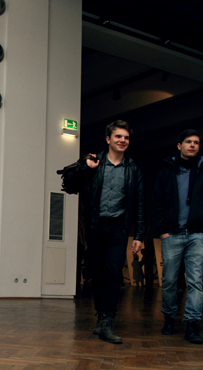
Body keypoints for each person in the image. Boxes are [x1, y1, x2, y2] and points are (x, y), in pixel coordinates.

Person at [63, 120, 146, 344]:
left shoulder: (133, 169)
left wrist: (139, 235)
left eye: (126, 137)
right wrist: (85, 168)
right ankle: (101, 316)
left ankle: (108, 320)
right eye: (118, 136)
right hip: (95, 227)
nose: (122, 140)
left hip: (118, 229)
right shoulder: (95, 163)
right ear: (108, 139)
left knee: (113, 274)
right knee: (98, 274)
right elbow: (70, 186)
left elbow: (139, 203)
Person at [151, 130, 203, 344]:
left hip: (196, 235)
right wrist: (162, 230)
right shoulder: (167, 172)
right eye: (188, 142)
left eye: (196, 142)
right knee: (169, 281)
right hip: (171, 234)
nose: (192, 145)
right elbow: (157, 202)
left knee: (196, 281)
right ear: (179, 145)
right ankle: (169, 317)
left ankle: (192, 324)